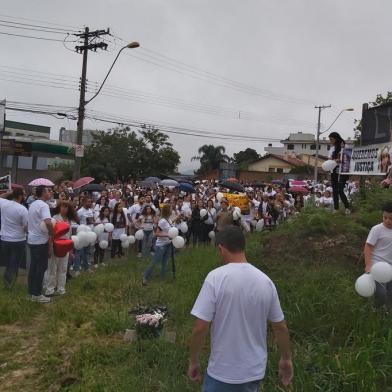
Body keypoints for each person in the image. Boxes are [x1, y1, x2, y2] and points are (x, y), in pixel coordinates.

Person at [188, 226, 293, 391]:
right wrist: (286, 358)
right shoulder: (266, 281)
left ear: (221, 249)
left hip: (222, 371)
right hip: (254, 371)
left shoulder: (215, 278)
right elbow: (280, 327)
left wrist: (194, 360)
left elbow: (200, 328)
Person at [27, 186, 53, 303]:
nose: (50, 192)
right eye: (48, 191)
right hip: (41, 241)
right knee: (41, 267)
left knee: (34, 267)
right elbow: (48, 221)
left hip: (32, 239)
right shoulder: (44, 205)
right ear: (43, 193)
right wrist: (52, 233)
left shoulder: (33, 204)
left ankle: (31, 292)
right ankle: (37, 294)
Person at [45, 201, 78, 296]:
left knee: (63, 268)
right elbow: (50, 233)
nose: (64, 209)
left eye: (66, 207)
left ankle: (61, 289)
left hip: (65, 246)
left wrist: (70, 249)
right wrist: (49, 246)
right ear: (59, 208)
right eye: (62, 207)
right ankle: (50, 289)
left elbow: (70, 235)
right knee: (52, 268)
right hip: (55, 245)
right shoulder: (54, 218)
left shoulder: (68, 220)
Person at [364, 202, 392, 310]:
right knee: (381, 293)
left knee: (390, 293)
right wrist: (368, 265)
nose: (387, 221)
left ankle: (387, 313)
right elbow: (368, 246)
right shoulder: (377, 229)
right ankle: (374, 311)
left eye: (391, 218)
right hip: (377, 265)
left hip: (390, 266)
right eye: (385, 217)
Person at [0, 189, 28, 286]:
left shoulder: (4, 204)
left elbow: (1, 197)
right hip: (18, 239)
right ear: (20, 196)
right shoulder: (22, 209)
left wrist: (9, 192)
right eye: (23, 195)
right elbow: (26, 226)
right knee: (15, 262)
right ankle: (9, 281)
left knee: (8, 261)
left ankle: (9, 281)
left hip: (4, 238)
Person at [142, 204, 173, 285]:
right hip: (161, 246)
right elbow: (157, 234)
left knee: (165, 262)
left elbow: (170, 227)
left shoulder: (169, 219)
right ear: (167, 211)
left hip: (168, 244)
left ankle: (162, 278)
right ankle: (145, 277)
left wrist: (178, 217)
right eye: (170, 209)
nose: (172, 210)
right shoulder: (162, 221)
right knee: (154, 262)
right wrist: (167, 235)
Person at [328, 132, 350, 213]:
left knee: (340, 190)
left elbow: (348, 158)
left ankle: (347, 207)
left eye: (331, 139)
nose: (330, 141)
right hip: (334, 171)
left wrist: (341, 159)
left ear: (336, 139)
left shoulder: (344, 146)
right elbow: (329, 160)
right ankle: (336, 208)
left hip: (342, 171)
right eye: (329, 139)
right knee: (334, 190)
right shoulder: (331, 149)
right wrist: (334, 160)